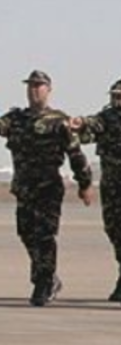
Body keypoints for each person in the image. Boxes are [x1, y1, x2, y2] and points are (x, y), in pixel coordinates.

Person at [0, 70, 94, 307]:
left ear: (48, 90)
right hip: (24, 186)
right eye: (31, 85)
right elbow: (0, 127)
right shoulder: (17, 119)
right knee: (26, 233)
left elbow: (75, 154)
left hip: (48, 187)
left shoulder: (59, 120)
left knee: (44, 235)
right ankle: (47, 275)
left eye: (39, 86)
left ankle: (44, 282)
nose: (34, 90)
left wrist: (85, 183)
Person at [68, 79, 121, 302]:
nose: (116, 100)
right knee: (114, 230)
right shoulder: (107, 118)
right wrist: (79, 124)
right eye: (114, 96)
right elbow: (92, 125)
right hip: (113, 187)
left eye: (120, 96)